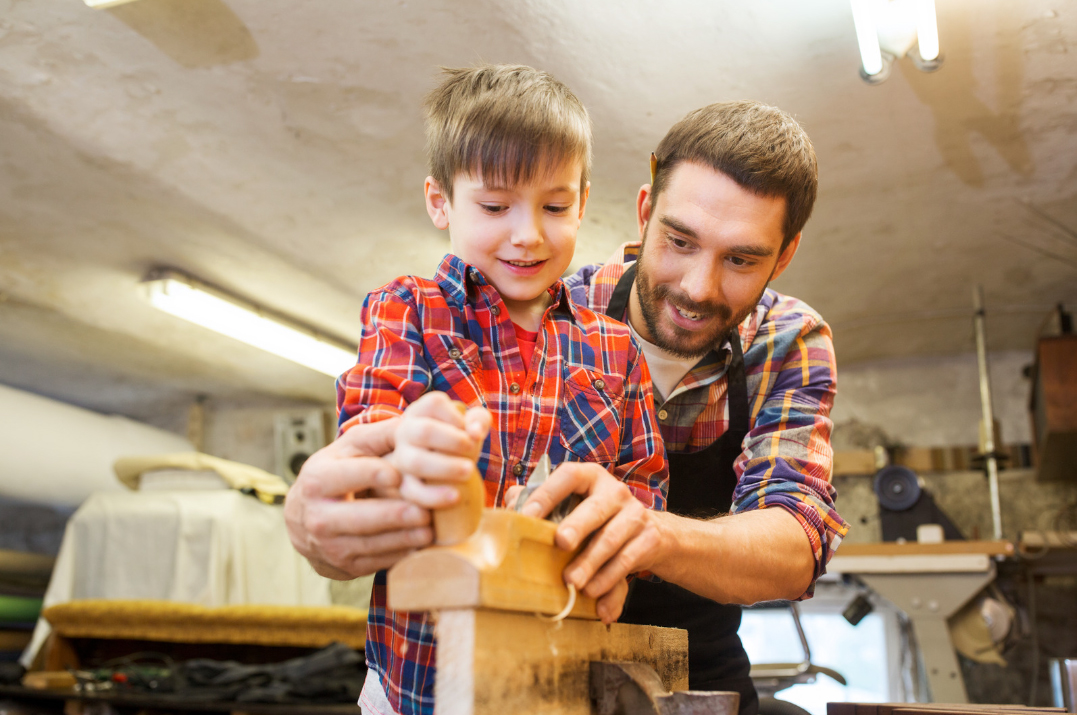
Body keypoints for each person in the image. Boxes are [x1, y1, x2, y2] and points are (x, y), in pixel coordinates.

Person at [285, 100, 850, 715]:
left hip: (690, 665)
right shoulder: (546, 304)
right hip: (522, 661)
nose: (697, 286)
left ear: (785, 254)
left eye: (741, 259)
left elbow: (797, 544)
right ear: (644, 212)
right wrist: (329, 515)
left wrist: (649, 531)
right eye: (679, 240)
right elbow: (373, 458)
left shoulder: (790, 338)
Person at [334, 64, 668, 715]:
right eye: (494, 206)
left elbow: (645, 486)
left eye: (554, 205)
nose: (528, 233)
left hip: (559, 678)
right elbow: (364, 447)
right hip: (416, 680)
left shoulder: (616, 348)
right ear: (440, 202)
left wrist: (619, 551)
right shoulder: (406, 313)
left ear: (582, 199)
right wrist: (410, 457)